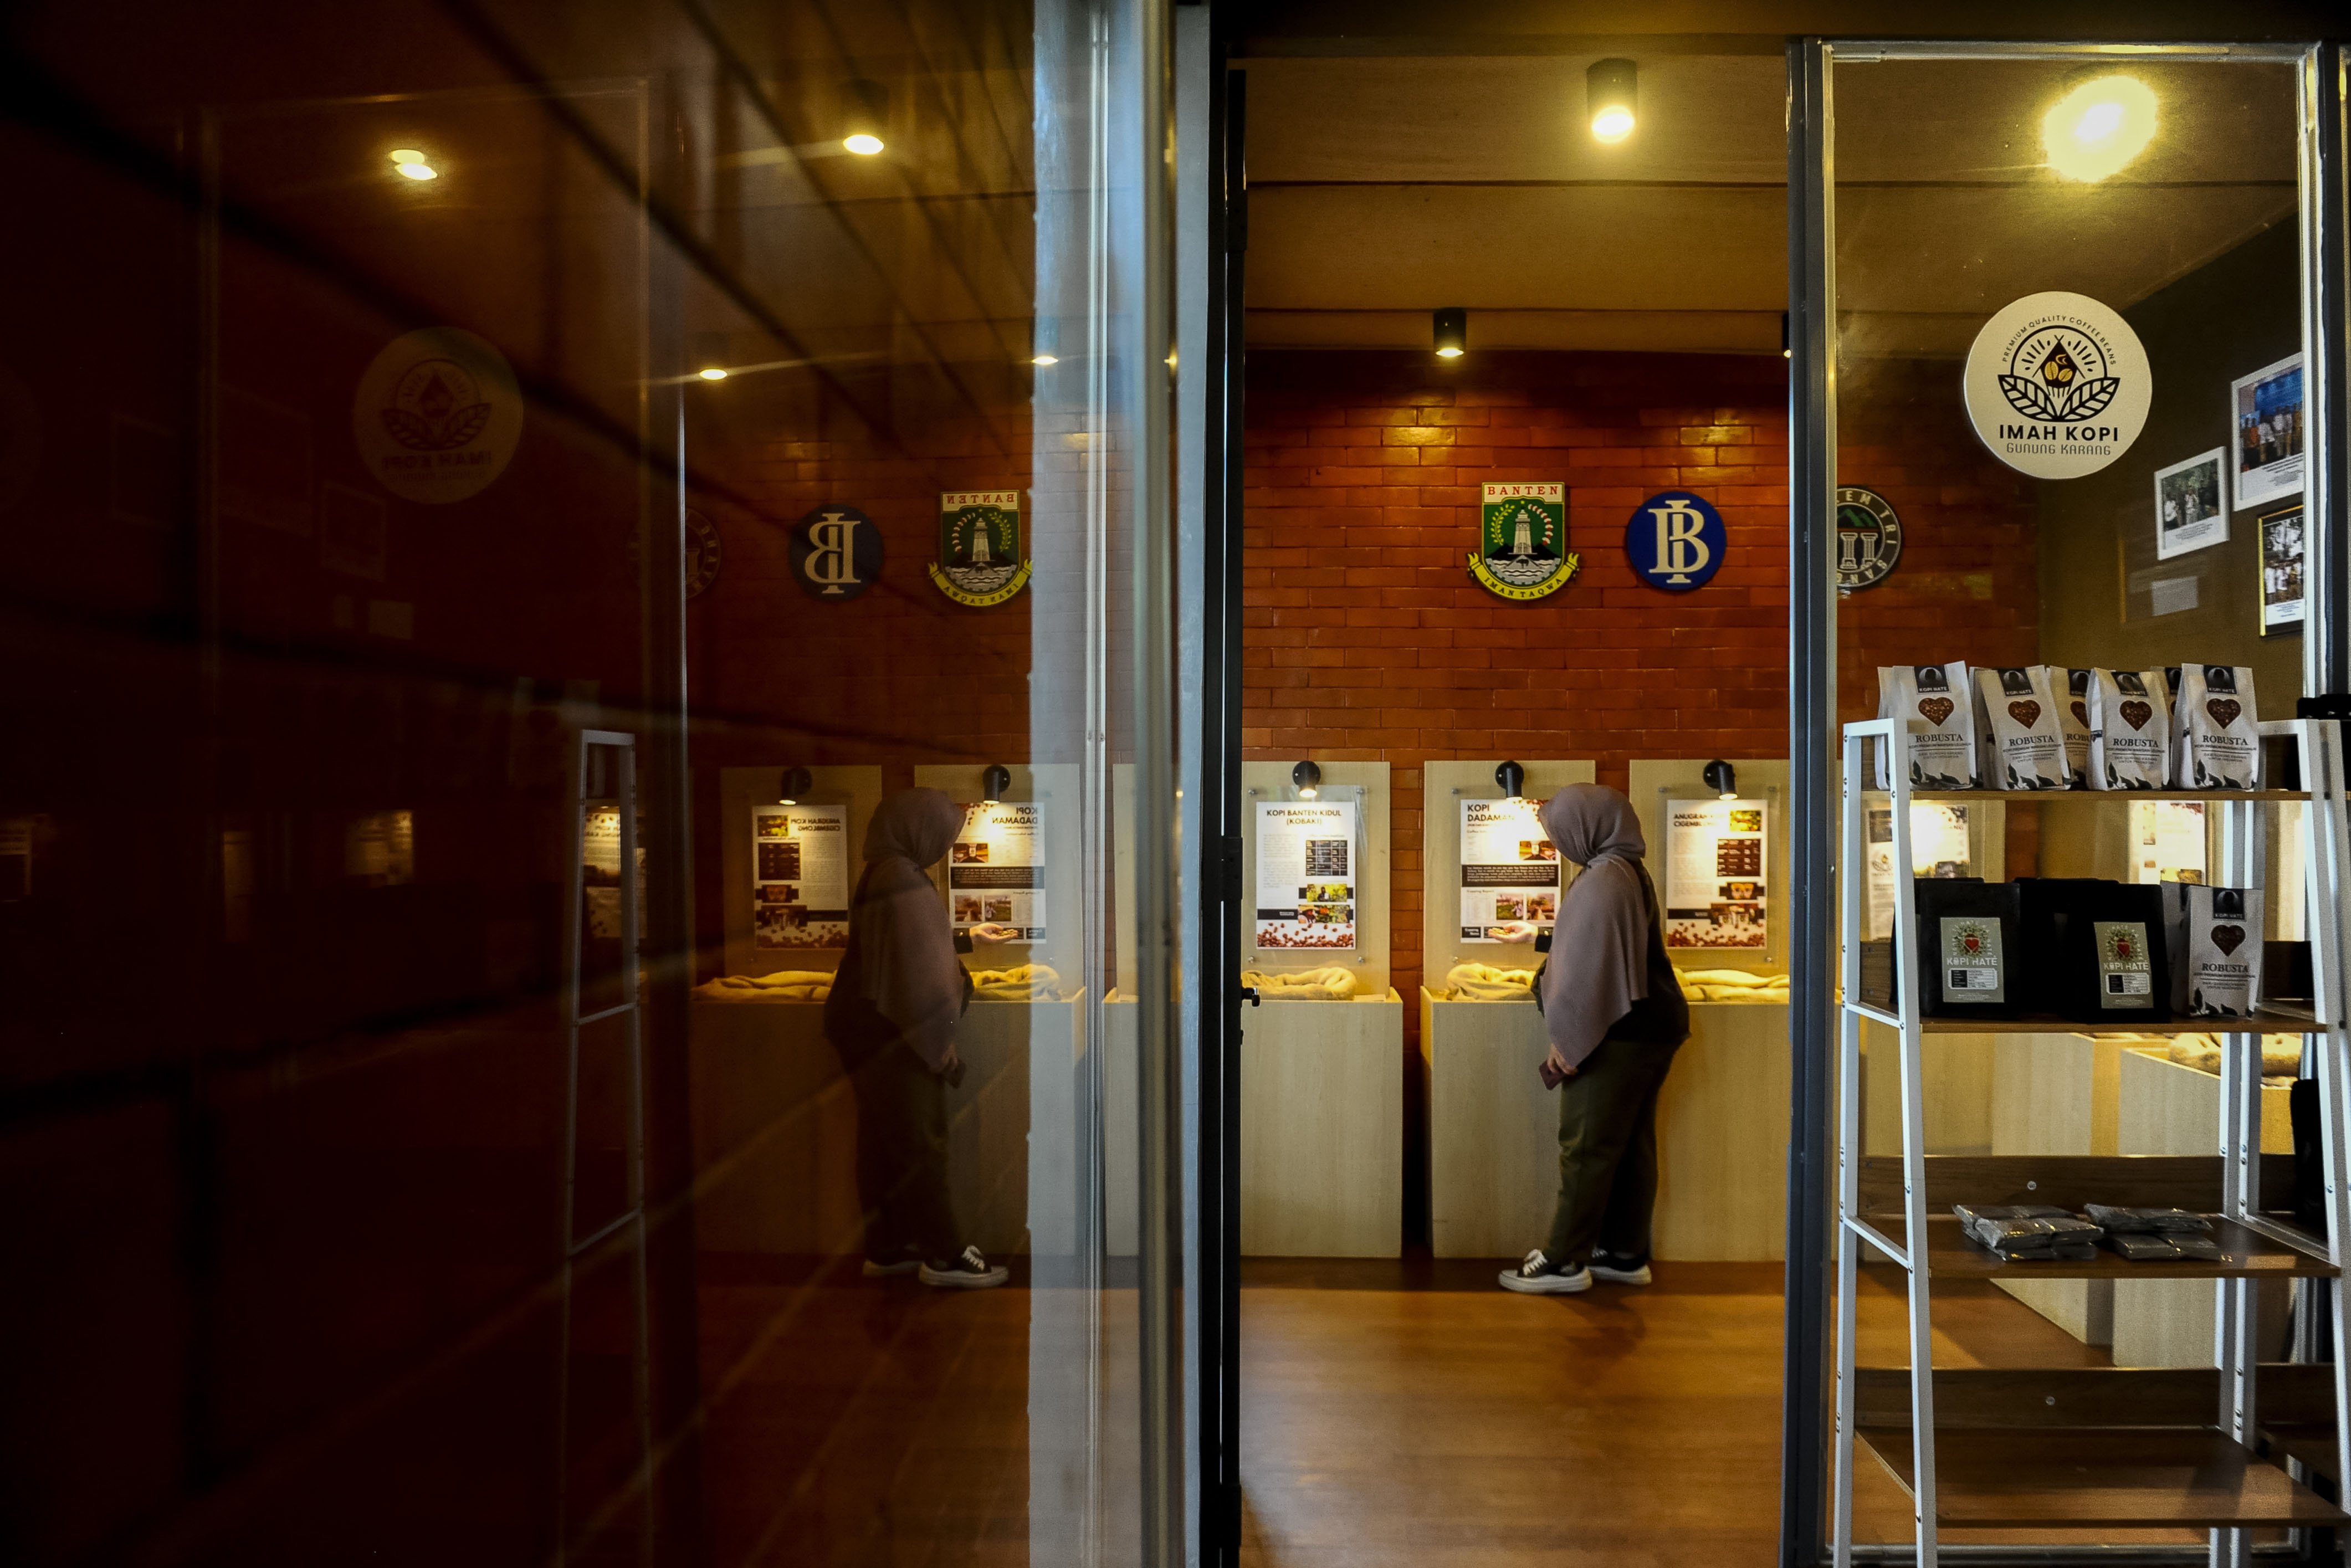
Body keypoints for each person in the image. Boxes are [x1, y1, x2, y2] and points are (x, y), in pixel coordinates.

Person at [1497, 783, 1691, 1295]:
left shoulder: (1604, 878)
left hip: (1616, 1034)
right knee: (1627, 1143)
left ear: (1585, 827)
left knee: (1584, 1146)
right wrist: (1538, 939)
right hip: (1649, 1027)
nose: (1560, 845)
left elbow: (1589, 970)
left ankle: (1564, 1261)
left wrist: (1568, 1038)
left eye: (1561, 833)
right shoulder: (1623, 868)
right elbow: (1595, 940)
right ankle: (1623, 1252)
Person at [823, 787, 1009, 1288]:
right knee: (922, 1143)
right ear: (918, 829)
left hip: (864, 1028)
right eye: (944, 834)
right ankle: (945, 1256)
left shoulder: (884, 871)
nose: (947, 846)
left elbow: (907, 944)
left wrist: (969, 940)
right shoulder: (903, 879)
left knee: (885, 1143)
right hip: (893, 1035)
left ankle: (887, 1248)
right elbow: (923, 977)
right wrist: (939, 1041)